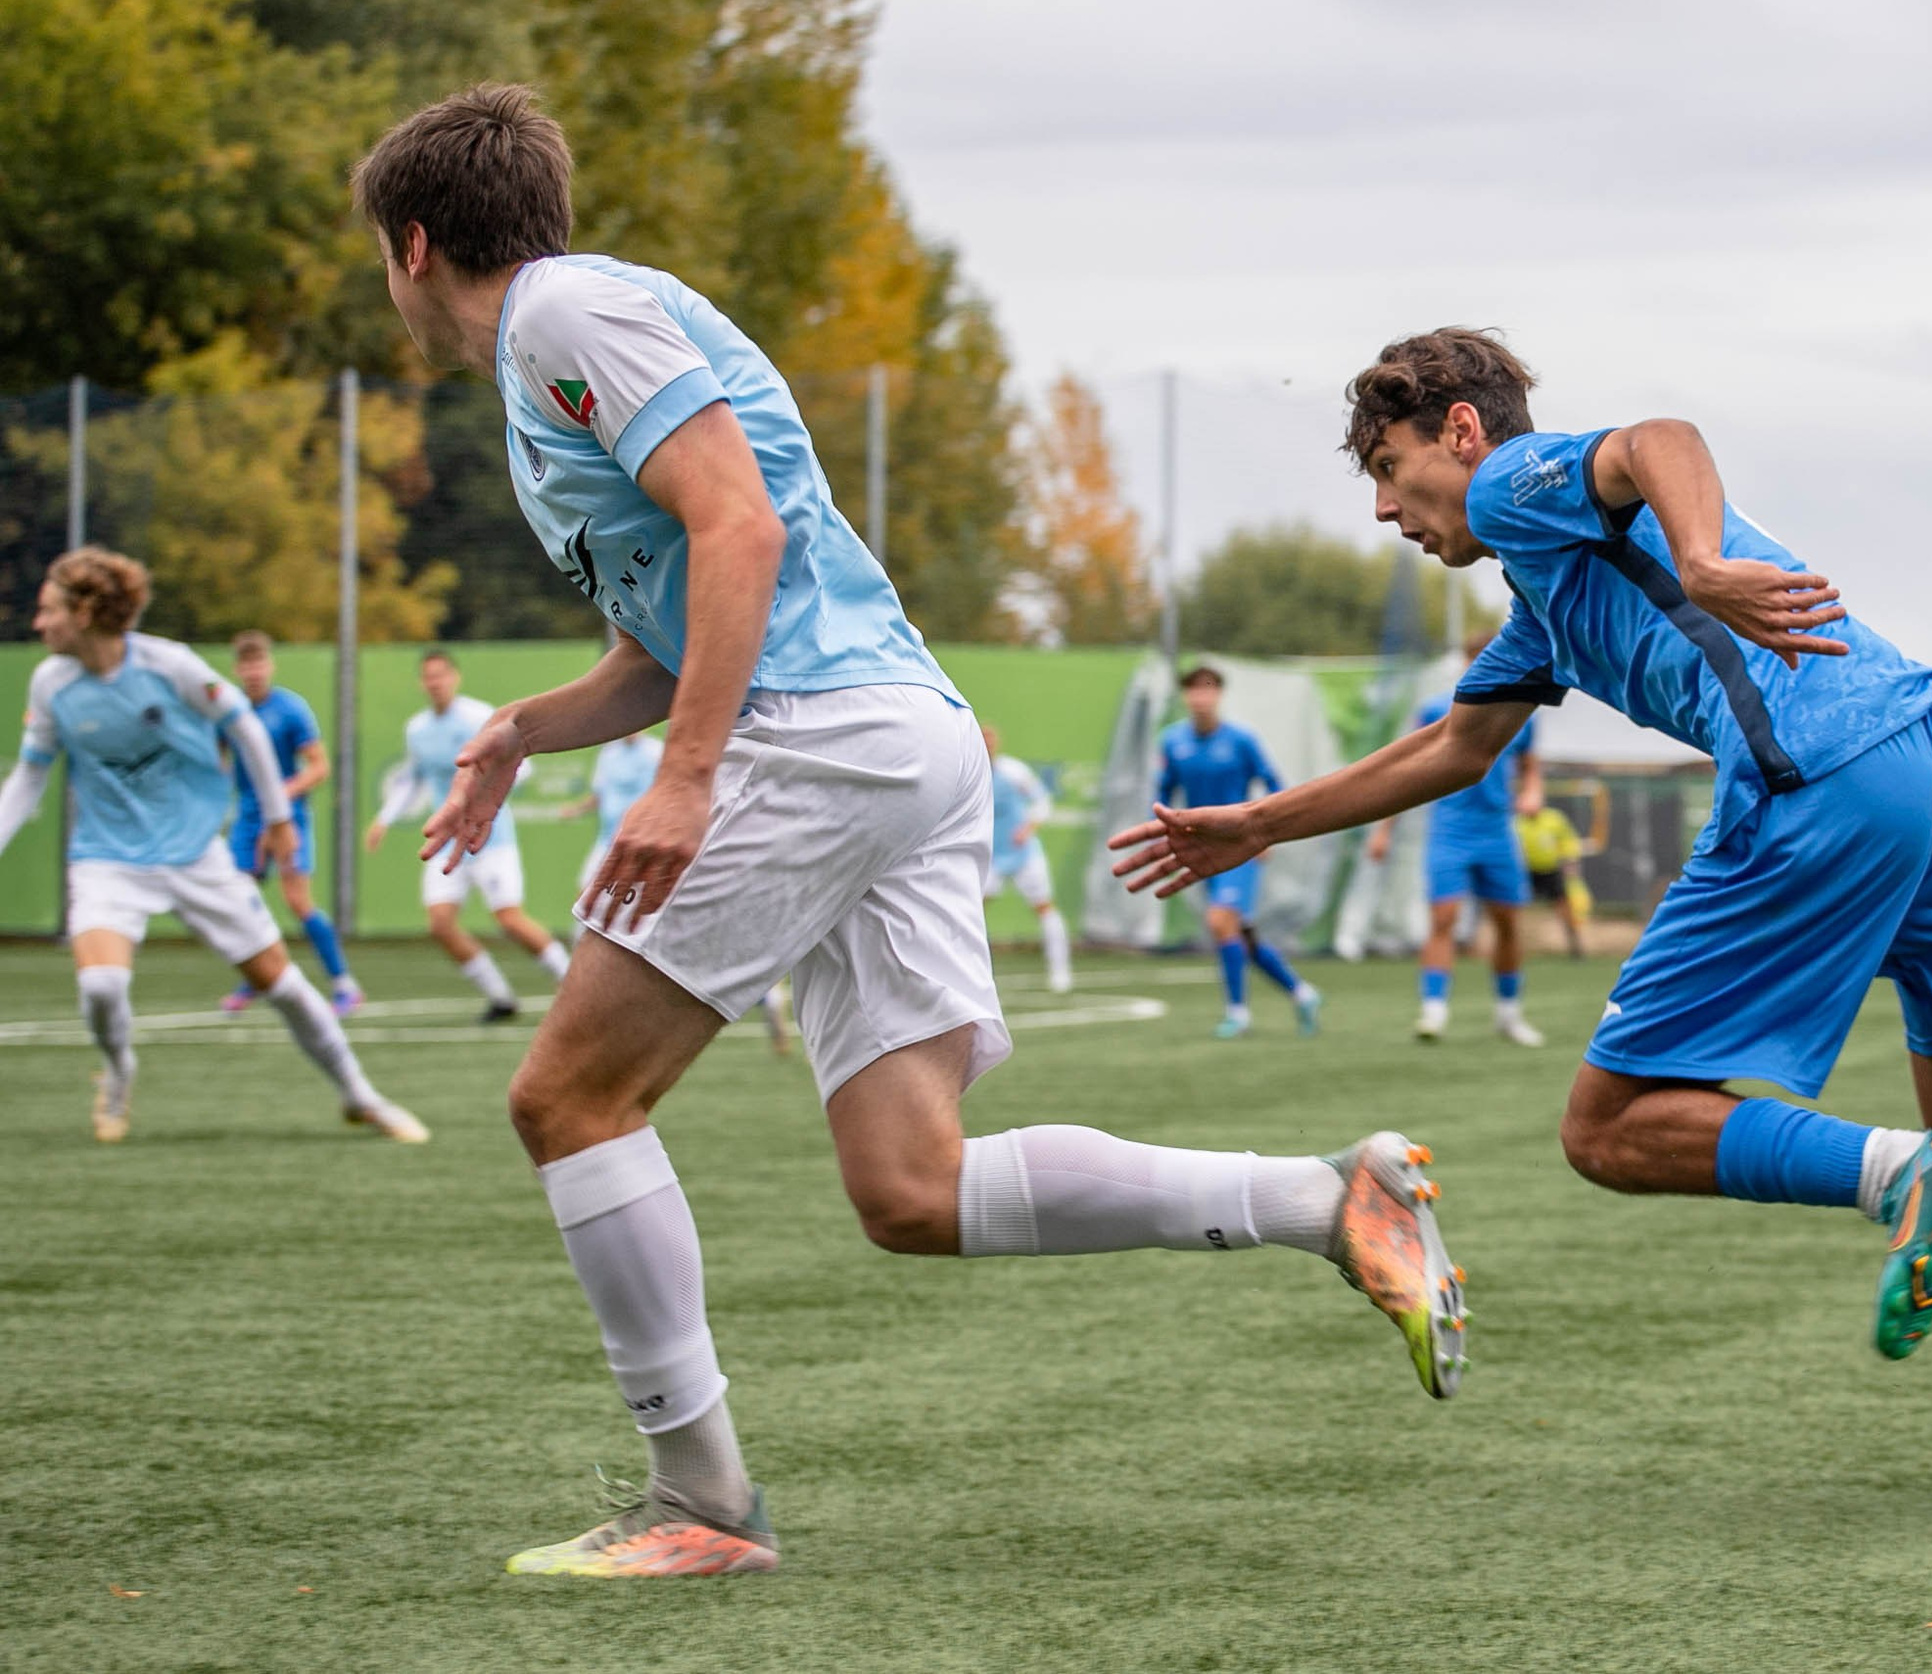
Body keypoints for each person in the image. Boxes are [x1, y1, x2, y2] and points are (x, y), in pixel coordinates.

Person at [351, 84, 1462, 1580]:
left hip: (818, 739)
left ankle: (706, 1501)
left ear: (413, 244)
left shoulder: (560, 317)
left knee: (572, 1100)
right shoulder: (577, 336)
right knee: (911, 1188)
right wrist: (521, 727)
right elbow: (681, 625)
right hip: (898, 740)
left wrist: (685, 782)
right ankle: (1330, 1197)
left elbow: (737, 529)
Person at [1115, 328, 1932, 1512]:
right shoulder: (1546, 600)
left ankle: (1896, 1173)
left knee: (1607, 1129)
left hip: (1821, 768)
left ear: (1458, 433)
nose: (1382, 511)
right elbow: (1456, 749)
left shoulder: (1514, 483)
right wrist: (1261, 823)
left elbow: (1658, 439)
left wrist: (1704, 560)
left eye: (1388, 470)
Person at [0, 552, 424, 1144]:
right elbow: (28, 776)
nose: (37, 625)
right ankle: (120, 1073)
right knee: (101, 986)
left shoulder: (168, 665)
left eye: (47, 611)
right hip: (106, 860)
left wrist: (279, 819)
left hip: (197, 853)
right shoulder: (51, 685)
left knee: (283, 985)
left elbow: (244, 727)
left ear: (87, 612)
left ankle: (361, 1096)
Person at [366, 648, 570, 1022]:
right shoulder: (417, 728)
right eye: (428, 676)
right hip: (447, 840)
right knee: (440, 924)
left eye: (441, 675)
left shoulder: (478, 716)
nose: (435, 683)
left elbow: (518, 765)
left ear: (454, 678)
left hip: (490, 837)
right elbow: (412, 779)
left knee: (509, 918)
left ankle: (573, 985)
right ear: (421, 683)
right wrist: (384, 818)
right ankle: (500, 998)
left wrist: (487, 792)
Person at [1365, 652, 1544, 1045]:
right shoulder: (1435, 710)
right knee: (1443, 919)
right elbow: (1404, 770)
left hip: (1498, 831)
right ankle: (1433, 1011)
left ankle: (1509, 1014)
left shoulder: (1522, 709)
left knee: (1508, 924)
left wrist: (1532, 793)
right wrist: (1384, 830)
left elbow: (1531, 766)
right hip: (1450, 831)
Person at [571, 731, 789, 1051]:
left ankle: (763, 995)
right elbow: (601, 794)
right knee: (592, 905)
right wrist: (577, 810)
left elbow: (678, 794)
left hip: (650, 846)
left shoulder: (656, 753)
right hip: (611, 843)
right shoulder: (609, 752)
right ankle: (586, 985)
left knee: (667, 919)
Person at [1155, 666, 1323, 1039]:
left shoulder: (1241, 740)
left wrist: (1265, 833)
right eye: (1193, 690)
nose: (1200, 697)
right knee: (1238, 934)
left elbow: (1274, 783)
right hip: (1199, 848)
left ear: (1219, 695)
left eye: (1208, 689)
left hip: (1237, 846)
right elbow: (1164, 794)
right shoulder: (1172, 742)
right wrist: (1164, 835)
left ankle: (1238, 1012)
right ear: (1185, 697)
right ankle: (1302, 994)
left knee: (1220, 922)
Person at [217, 631, 364, 1017]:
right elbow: (218, 765)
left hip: (289, 814)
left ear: (270, 666)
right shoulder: (228, 711)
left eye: (259, 664)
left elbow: (319, 767)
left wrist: (280, 799)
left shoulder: (290, 709)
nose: (253, 672)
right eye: (246, 665)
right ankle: (256, 978)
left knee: (297, 901)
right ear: (237, 669)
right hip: (248, 816)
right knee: (240, 901)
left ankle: (344, 984)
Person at [983, 724, 1074, 994]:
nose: (987, 744)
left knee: (1044, 907)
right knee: (971, 913)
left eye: (990, 739)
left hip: (1023, 854)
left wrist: (1028, 829)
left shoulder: (1013, 771)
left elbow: (1042, 801)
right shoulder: (967, 772)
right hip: (989, 855)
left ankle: (1061, 972)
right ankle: (977, 977)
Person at [1516, 804, 1590, 959]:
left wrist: (1570, 861)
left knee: (1564, 907)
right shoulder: (1515, 822)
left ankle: (1575, 946)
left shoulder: (1554, 819)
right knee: (1514, 909)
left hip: (1551, 870)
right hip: (1526, 872)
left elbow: (1568, 840)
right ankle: (1516, 949)